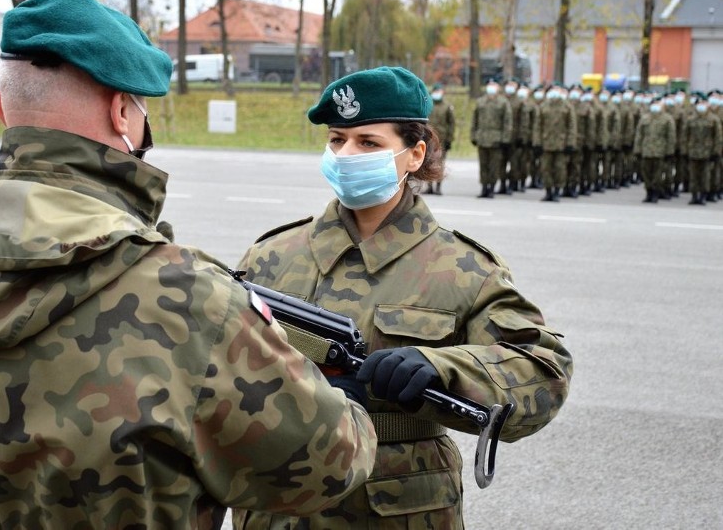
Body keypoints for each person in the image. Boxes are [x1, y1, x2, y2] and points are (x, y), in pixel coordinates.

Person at [0, 0, 377, 530]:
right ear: (121, 112)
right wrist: (331, 392)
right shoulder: (185, 298)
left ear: (2, 110)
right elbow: (331, 462)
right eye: (141, 111)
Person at [231, 66, 573, 529]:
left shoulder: (462, 267)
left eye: (367, 143)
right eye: (337, 140)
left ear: (415, 154)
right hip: (279, 499)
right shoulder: (271, 255)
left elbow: (544, 369)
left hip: (398, 505)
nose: (346, 155)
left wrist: (443, 367)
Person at [532, 83, 578, 201]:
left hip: (561, 144)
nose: (555, 92)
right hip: (546, 143)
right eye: (553, 89)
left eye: (557, 89)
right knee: (545, 168)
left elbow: (572, 127)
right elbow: (537, 126)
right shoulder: (543, 106)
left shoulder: (567, 107)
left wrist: (570, 144)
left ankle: (557, 190)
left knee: (560, 168)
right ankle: (548, 191)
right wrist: (537, 143)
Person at [471, 77, 514, 198]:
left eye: (493, 85)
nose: (491, 87)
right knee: (483, 164)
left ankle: (492, 187)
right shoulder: (481, 101)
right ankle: (484, 187)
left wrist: (505, 138)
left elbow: (507, 122)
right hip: (482, 138)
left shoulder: (503, 102)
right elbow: (475, 120)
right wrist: (473, 135)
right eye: (489, 84)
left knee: (494, 165)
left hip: (496, 139)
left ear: (498, 88)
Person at [634, 96, 676, 203]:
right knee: (646, 173)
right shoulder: (645, 118)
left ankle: (655, 193)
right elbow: (639, 135)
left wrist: (669, 152)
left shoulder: (667, 119)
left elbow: (671, 137)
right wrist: (637, 150)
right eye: (654, 103)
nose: (656, 106)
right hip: (646, 150)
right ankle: (648, 192)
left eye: (658, 103)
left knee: (657, 174)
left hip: (660, 151)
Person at [683, 94, 723, 205]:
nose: (701, 106)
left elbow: (718, 137)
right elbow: (685, 136)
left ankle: (703, 195)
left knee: (705, 175)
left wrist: (716, 152)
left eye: (703, 103)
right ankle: (694, 195)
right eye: (699, 103)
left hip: (707, 152)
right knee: (693, 175)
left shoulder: (713, 119)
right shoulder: (690, 119)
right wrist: (685, 151)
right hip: (693, 151)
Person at [424, 82, 455, 195]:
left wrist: (450, 139)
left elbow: (451, 124)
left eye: (439, 91)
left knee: (440, 163)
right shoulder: (428, 106)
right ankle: (429, 186)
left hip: (442, 139)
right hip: (428, 139)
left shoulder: (447, 107)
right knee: (427, 162)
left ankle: (438, 186)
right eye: (436, 91)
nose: (437, 94)